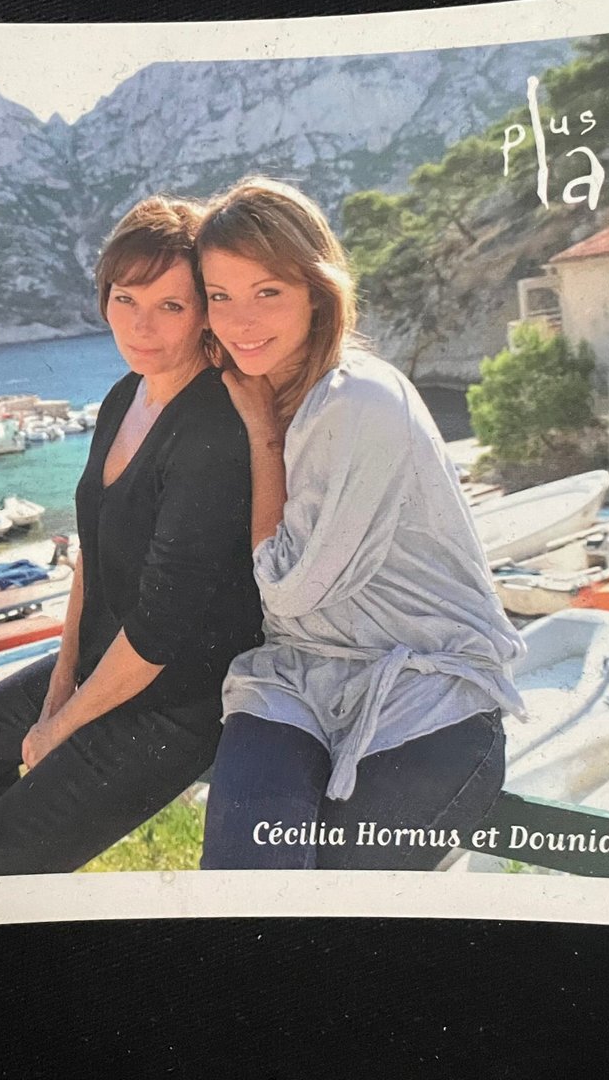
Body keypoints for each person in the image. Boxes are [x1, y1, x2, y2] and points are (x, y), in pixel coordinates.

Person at [194, 177, 527, 871]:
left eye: (267, 292)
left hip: (428, 698)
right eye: (220, 296)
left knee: (339, 911)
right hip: (293, 681)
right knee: (241, 894)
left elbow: (289, 592)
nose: (240, 321)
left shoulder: (359, 399)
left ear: (317, 293)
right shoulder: (264, 390)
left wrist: (262, 439)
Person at [0, 196, 263, 879]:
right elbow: (91, 550)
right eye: (125, 299)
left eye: (170, 305)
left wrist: (63, 723)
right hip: (108, 667)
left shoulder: (209, 427)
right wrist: (61, 678)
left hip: (174, 702)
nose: (141, 326)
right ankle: (13, 907)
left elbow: (160, 630)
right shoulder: (123, 396)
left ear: (205, 312)